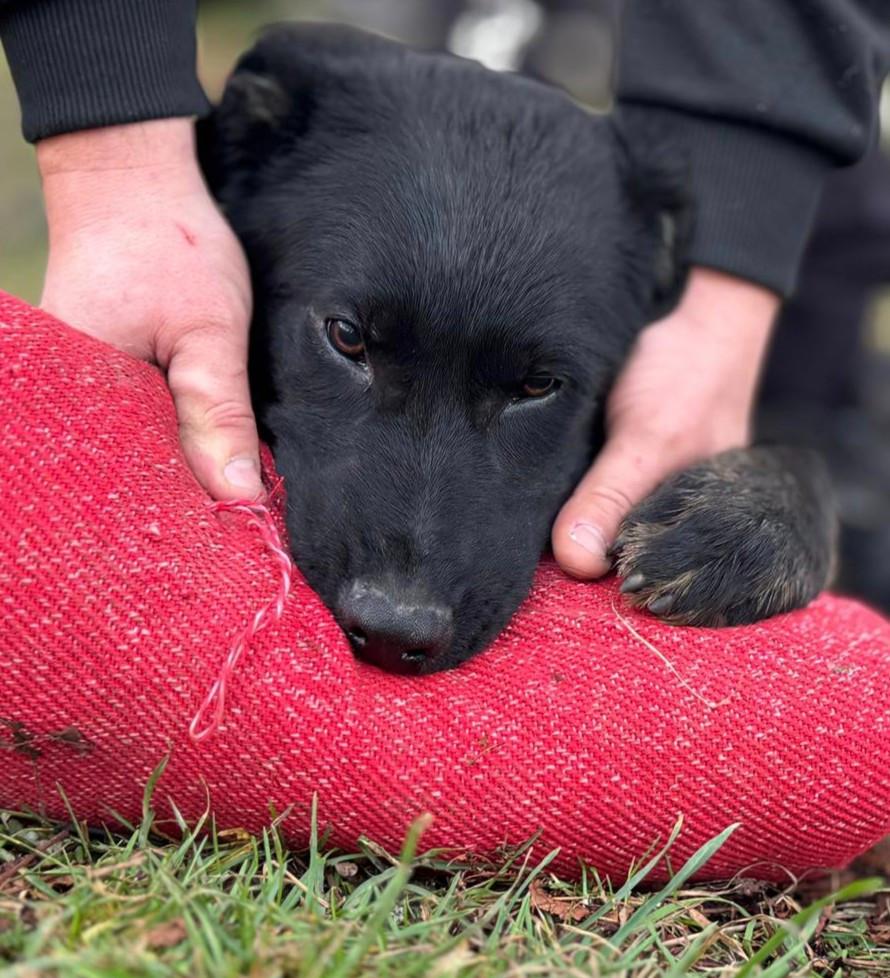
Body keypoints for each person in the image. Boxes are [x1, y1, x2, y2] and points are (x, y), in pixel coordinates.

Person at [1, 0, 889, 578]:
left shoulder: (745, 264)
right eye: (350, 342)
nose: (402, 596)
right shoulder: (313, 172)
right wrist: (116, 161)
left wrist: (730, 265)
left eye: (536, 385)